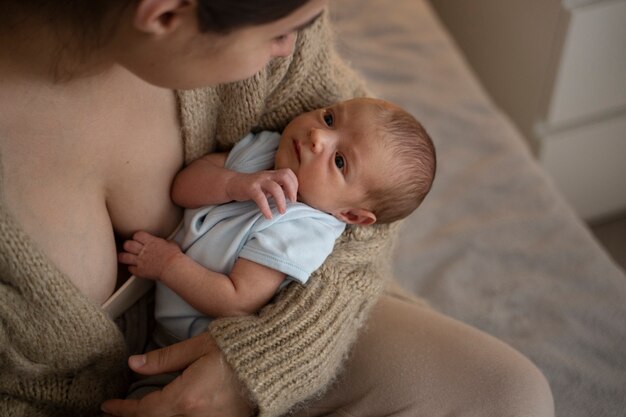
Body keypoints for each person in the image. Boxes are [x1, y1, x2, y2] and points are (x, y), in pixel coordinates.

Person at [0, 1, 554, 417]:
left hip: (272, 320)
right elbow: (199, 185)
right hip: (89, 391)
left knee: (508, 393)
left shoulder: (278, 29)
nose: (293, 46)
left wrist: (261, 364)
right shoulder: (274, 148)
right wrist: (235, 184)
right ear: (166, 15)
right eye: (281, 33)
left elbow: (376, 204)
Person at [117, 97, 436, 388]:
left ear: (350, 214)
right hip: (156, 309)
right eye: (329, 119)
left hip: (190, 352)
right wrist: (234, 184)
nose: (318, 137)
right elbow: (181, 189)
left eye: (339, 161)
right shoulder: (267, 148)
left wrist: (168, 265)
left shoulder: (302, 230)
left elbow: (236, 301)